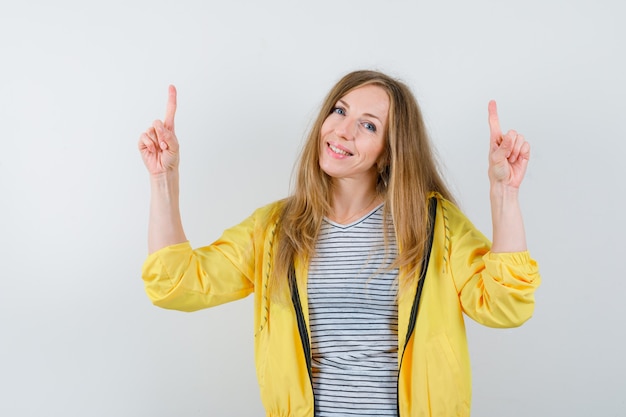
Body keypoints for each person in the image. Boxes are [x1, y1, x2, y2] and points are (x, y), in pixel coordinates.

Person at [138, 70, 540, 417]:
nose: (343, 130)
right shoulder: (277, 228)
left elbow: (505, 306)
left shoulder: (433, 225)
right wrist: (162, 180)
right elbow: (176, 285)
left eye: (368, 125)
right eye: (340, 110)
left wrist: (504, 193)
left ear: (389, 152)